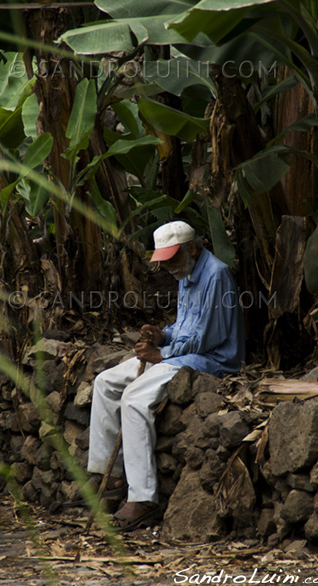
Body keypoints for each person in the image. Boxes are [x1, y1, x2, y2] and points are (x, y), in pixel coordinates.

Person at [86, 221, 245, 531]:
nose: (168, 267)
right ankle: (111, 475)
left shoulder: (216, 275)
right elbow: (184, 328)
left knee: (133, 398)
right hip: (183, 353)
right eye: (165, 260)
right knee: (104, 382)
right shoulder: (186, 273)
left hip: (211, 360)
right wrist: (161, 336)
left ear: (193, 248)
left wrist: (161, 355)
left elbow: (209, 337)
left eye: (172, 259)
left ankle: (143, 498)